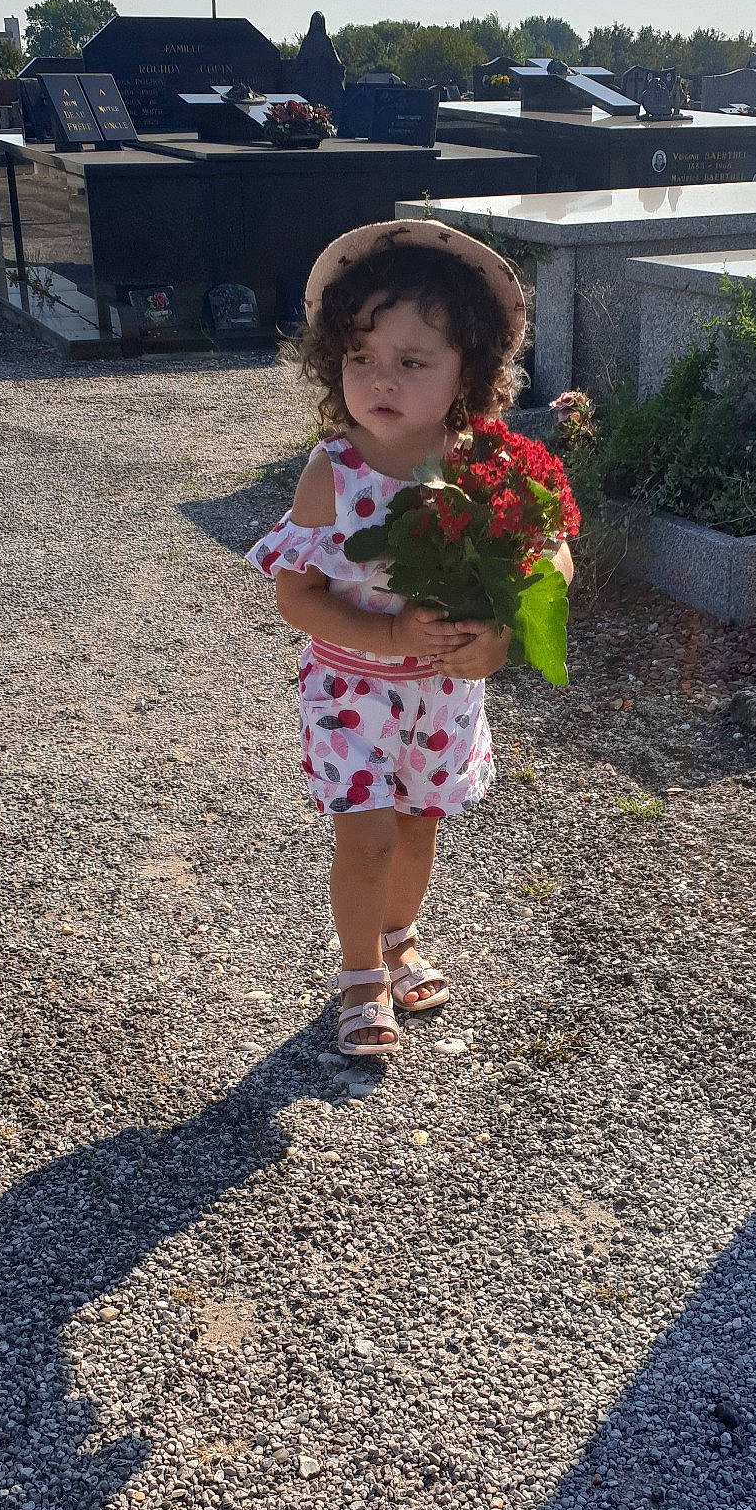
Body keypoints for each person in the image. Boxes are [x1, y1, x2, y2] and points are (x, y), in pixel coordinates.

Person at [244, 220, 573, 1058]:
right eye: (361, 358)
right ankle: (359, 973)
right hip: (352, 689)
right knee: (368, 833)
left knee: (421, 824)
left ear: (471, 372)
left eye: (412, 361)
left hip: (444, 689)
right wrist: (387, 631)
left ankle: (399, 935)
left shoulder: (480, 460)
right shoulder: (336, 470)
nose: (380, 379)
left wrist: (499, 636)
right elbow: (298, 595)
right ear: (334, 362)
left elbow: (552, 554)